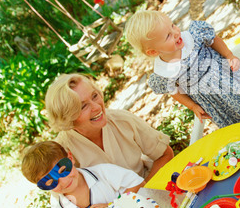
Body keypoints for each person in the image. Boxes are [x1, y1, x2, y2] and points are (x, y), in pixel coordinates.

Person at [124, 10, 240, 129]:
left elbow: (214, 40)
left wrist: (229, 55)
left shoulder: (193, 36)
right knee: (239, 126)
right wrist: (193, 106)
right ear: (153, 52)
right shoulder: (163, 73)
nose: (175, 33)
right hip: (214, 101)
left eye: (173, 25)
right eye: (167, 36)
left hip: (231, 79)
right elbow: (175, 91)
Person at [45, 73, 173, 182]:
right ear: (67, 118)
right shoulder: (61, 151)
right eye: (83, 106)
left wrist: (143, 192)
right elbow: (68, 200)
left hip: (148, 186)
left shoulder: (123, 121)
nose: (97, 107)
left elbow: (165, 154)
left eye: (95, 96)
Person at [21, 141, 146, 208]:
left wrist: (114, 207)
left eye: (62, 170)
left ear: (70, 158)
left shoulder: (103, 173)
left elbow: (139, 184)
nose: (63, 182)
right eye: (50, 182)